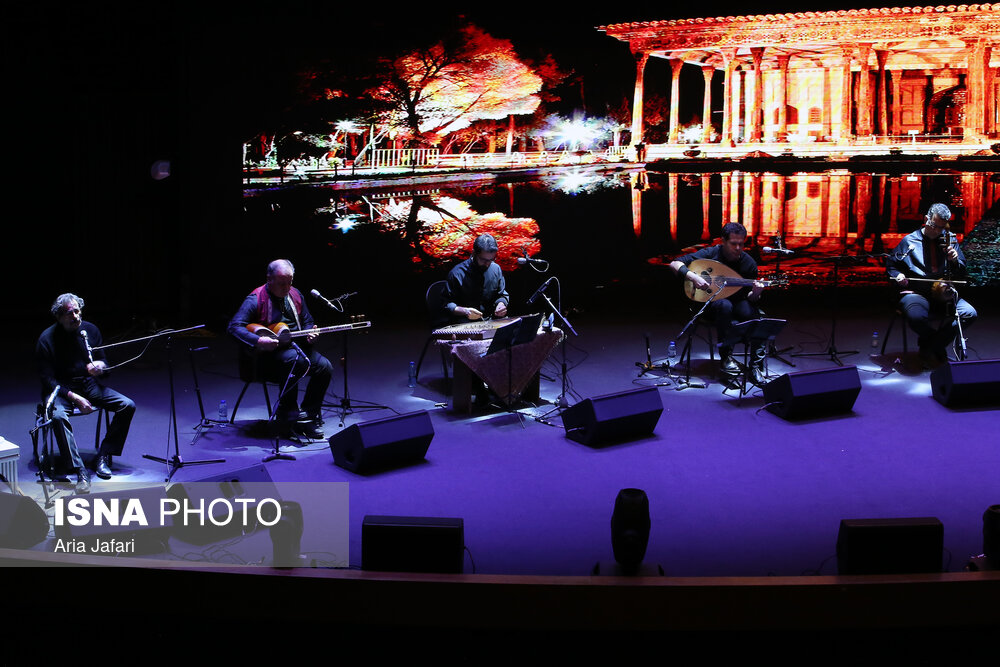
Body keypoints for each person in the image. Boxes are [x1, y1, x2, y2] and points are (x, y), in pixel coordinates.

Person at [36, 293, 136, 493]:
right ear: (59, 317)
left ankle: (104, 455)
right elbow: (47, 380)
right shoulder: (46, 339)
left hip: (88, 384)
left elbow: (103, 363)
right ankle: (80, 469)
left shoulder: (90, 331)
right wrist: (74, 397)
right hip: (60, 390)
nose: (75, 316)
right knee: (57, 416)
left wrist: (101, 366)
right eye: (68, 313)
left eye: (77, 311)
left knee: (127, 405)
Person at [228, 259, 333, 439]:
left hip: (296, 350)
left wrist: (310, 334)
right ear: (269, 279)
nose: (287, 287)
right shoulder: (256, 299)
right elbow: (234, 327)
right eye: (281, 283)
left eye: (290, 282)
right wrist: (258, 340)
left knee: (325, 367)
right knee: (295, 361)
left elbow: (307, 320)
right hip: (266, 359)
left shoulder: (295, 294)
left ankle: (306, 417)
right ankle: (287, 418)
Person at [669, 222, 767, 385]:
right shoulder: (711, 253)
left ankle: (755, 367)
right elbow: (675, 264)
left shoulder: (749, 264)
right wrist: (693, 277)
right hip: (709, 303)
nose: (738, 248)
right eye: (733, 244)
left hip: (737, 302)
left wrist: (756, 292)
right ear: (723, 241)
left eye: (741, 244)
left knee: (757, 315)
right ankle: (726, 358)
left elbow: (750, 298)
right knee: (724, 306)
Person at [887, 203, 977, 367]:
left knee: (969, 313)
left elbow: (961, 272)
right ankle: (937, 346)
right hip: (917, 293)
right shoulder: (909, 240)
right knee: (916, 317)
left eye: (942, 227)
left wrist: (955, 261)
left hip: (943, 293)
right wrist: (898, 275)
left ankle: (932, 346)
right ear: (926, 219)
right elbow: (892, 266)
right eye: (934, 226)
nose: (937, 231)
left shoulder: (949, 240)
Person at [444, 233, 510, 324]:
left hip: (491, 320)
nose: (488, 264)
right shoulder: (457, 274)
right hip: (466, 323)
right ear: (474, 253)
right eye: (483, 260)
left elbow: (501, 294)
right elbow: (446, 304)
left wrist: (501, 304)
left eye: (491, 259)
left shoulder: (496, 269)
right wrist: (465, 311)